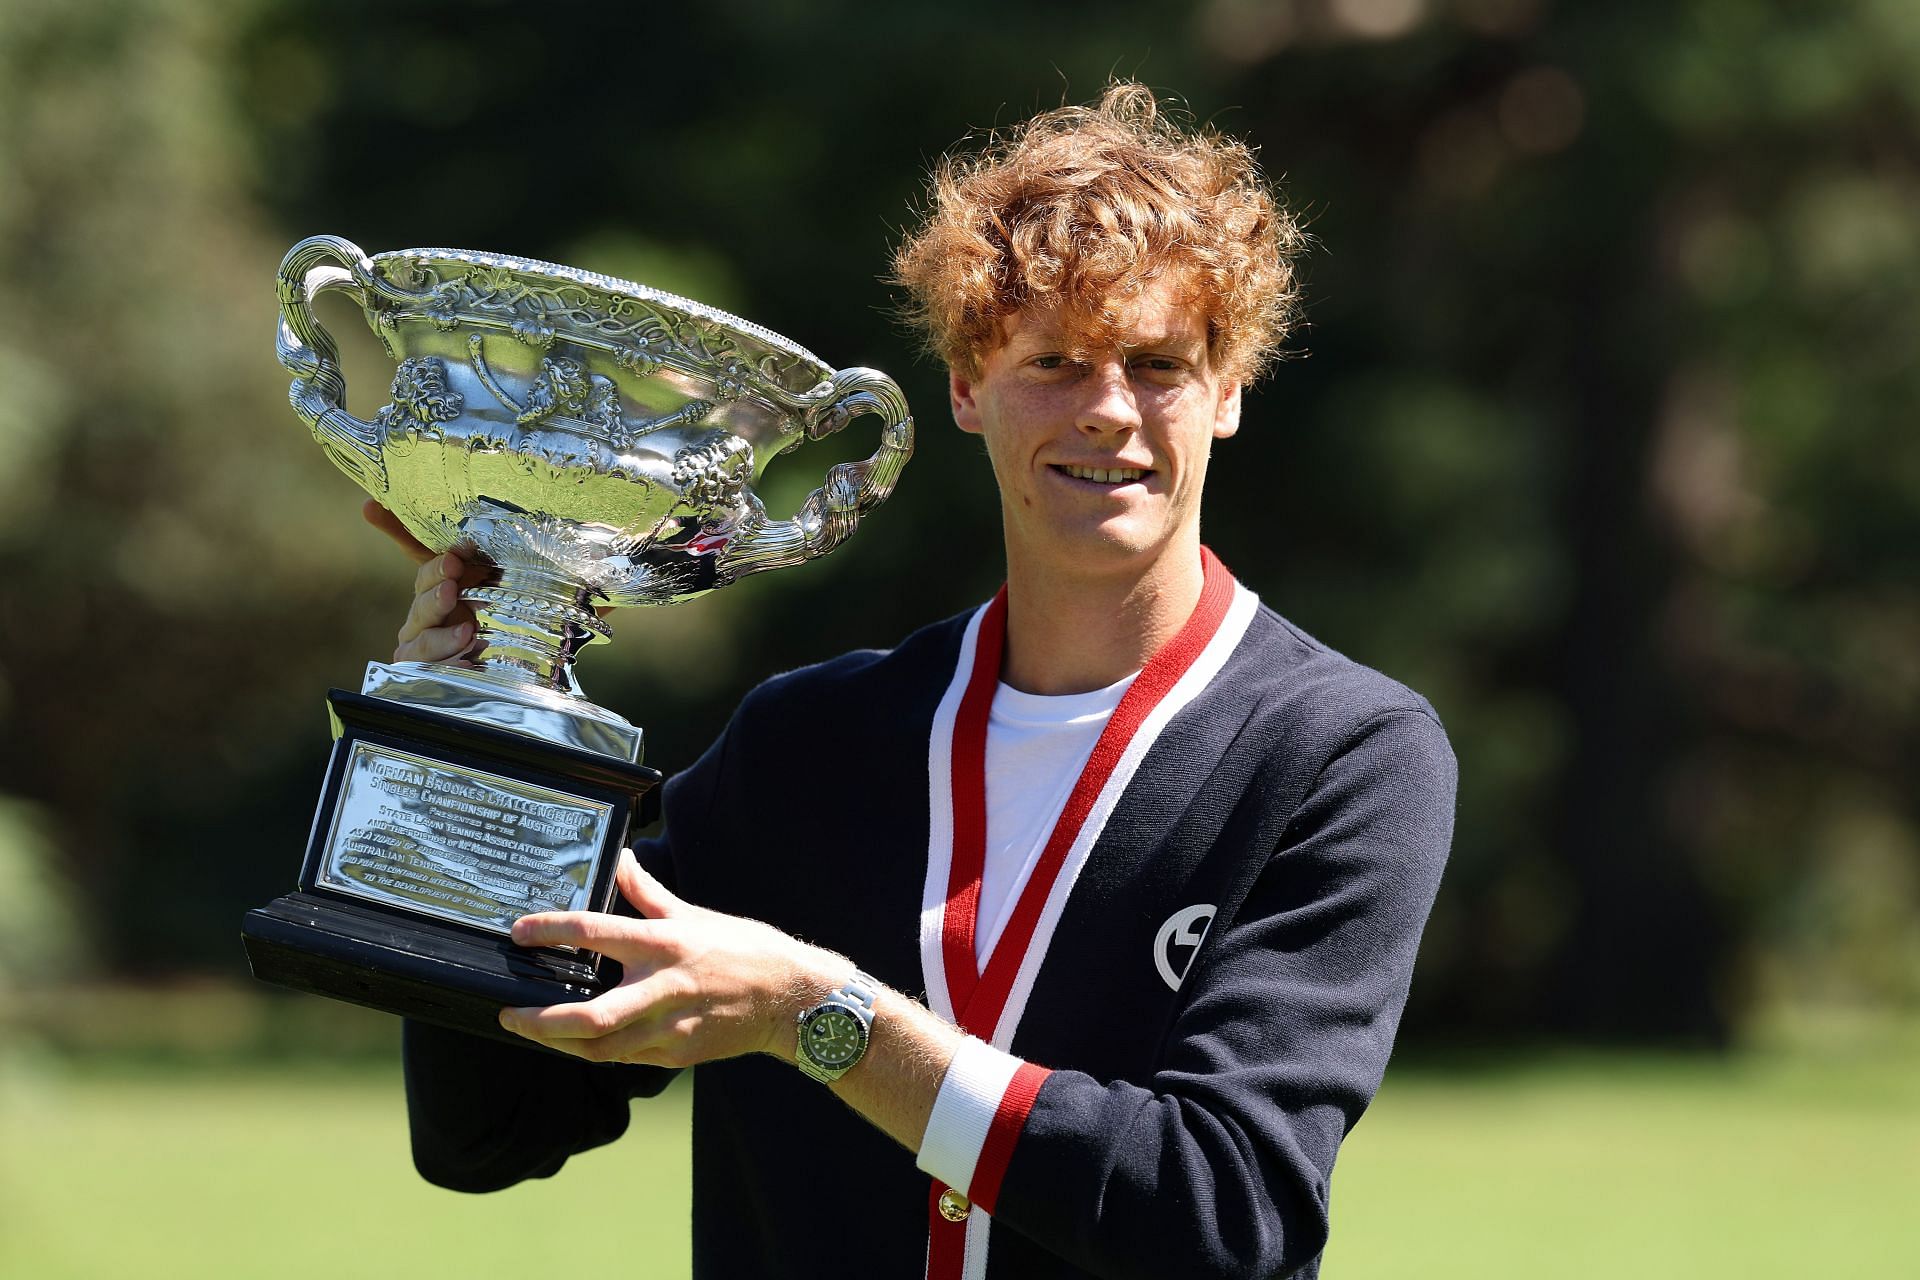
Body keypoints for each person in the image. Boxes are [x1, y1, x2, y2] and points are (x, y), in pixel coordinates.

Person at [377, 83, 1455, 1280]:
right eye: (1053, 360)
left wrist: (818, 1018)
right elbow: (488, 1128)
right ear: (963, 385)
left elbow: (1220, 1214)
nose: (1108, 409)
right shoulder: (808, 742)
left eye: (1157, 362)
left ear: (1230, 389)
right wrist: (476, 742)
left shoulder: (1342, 752)